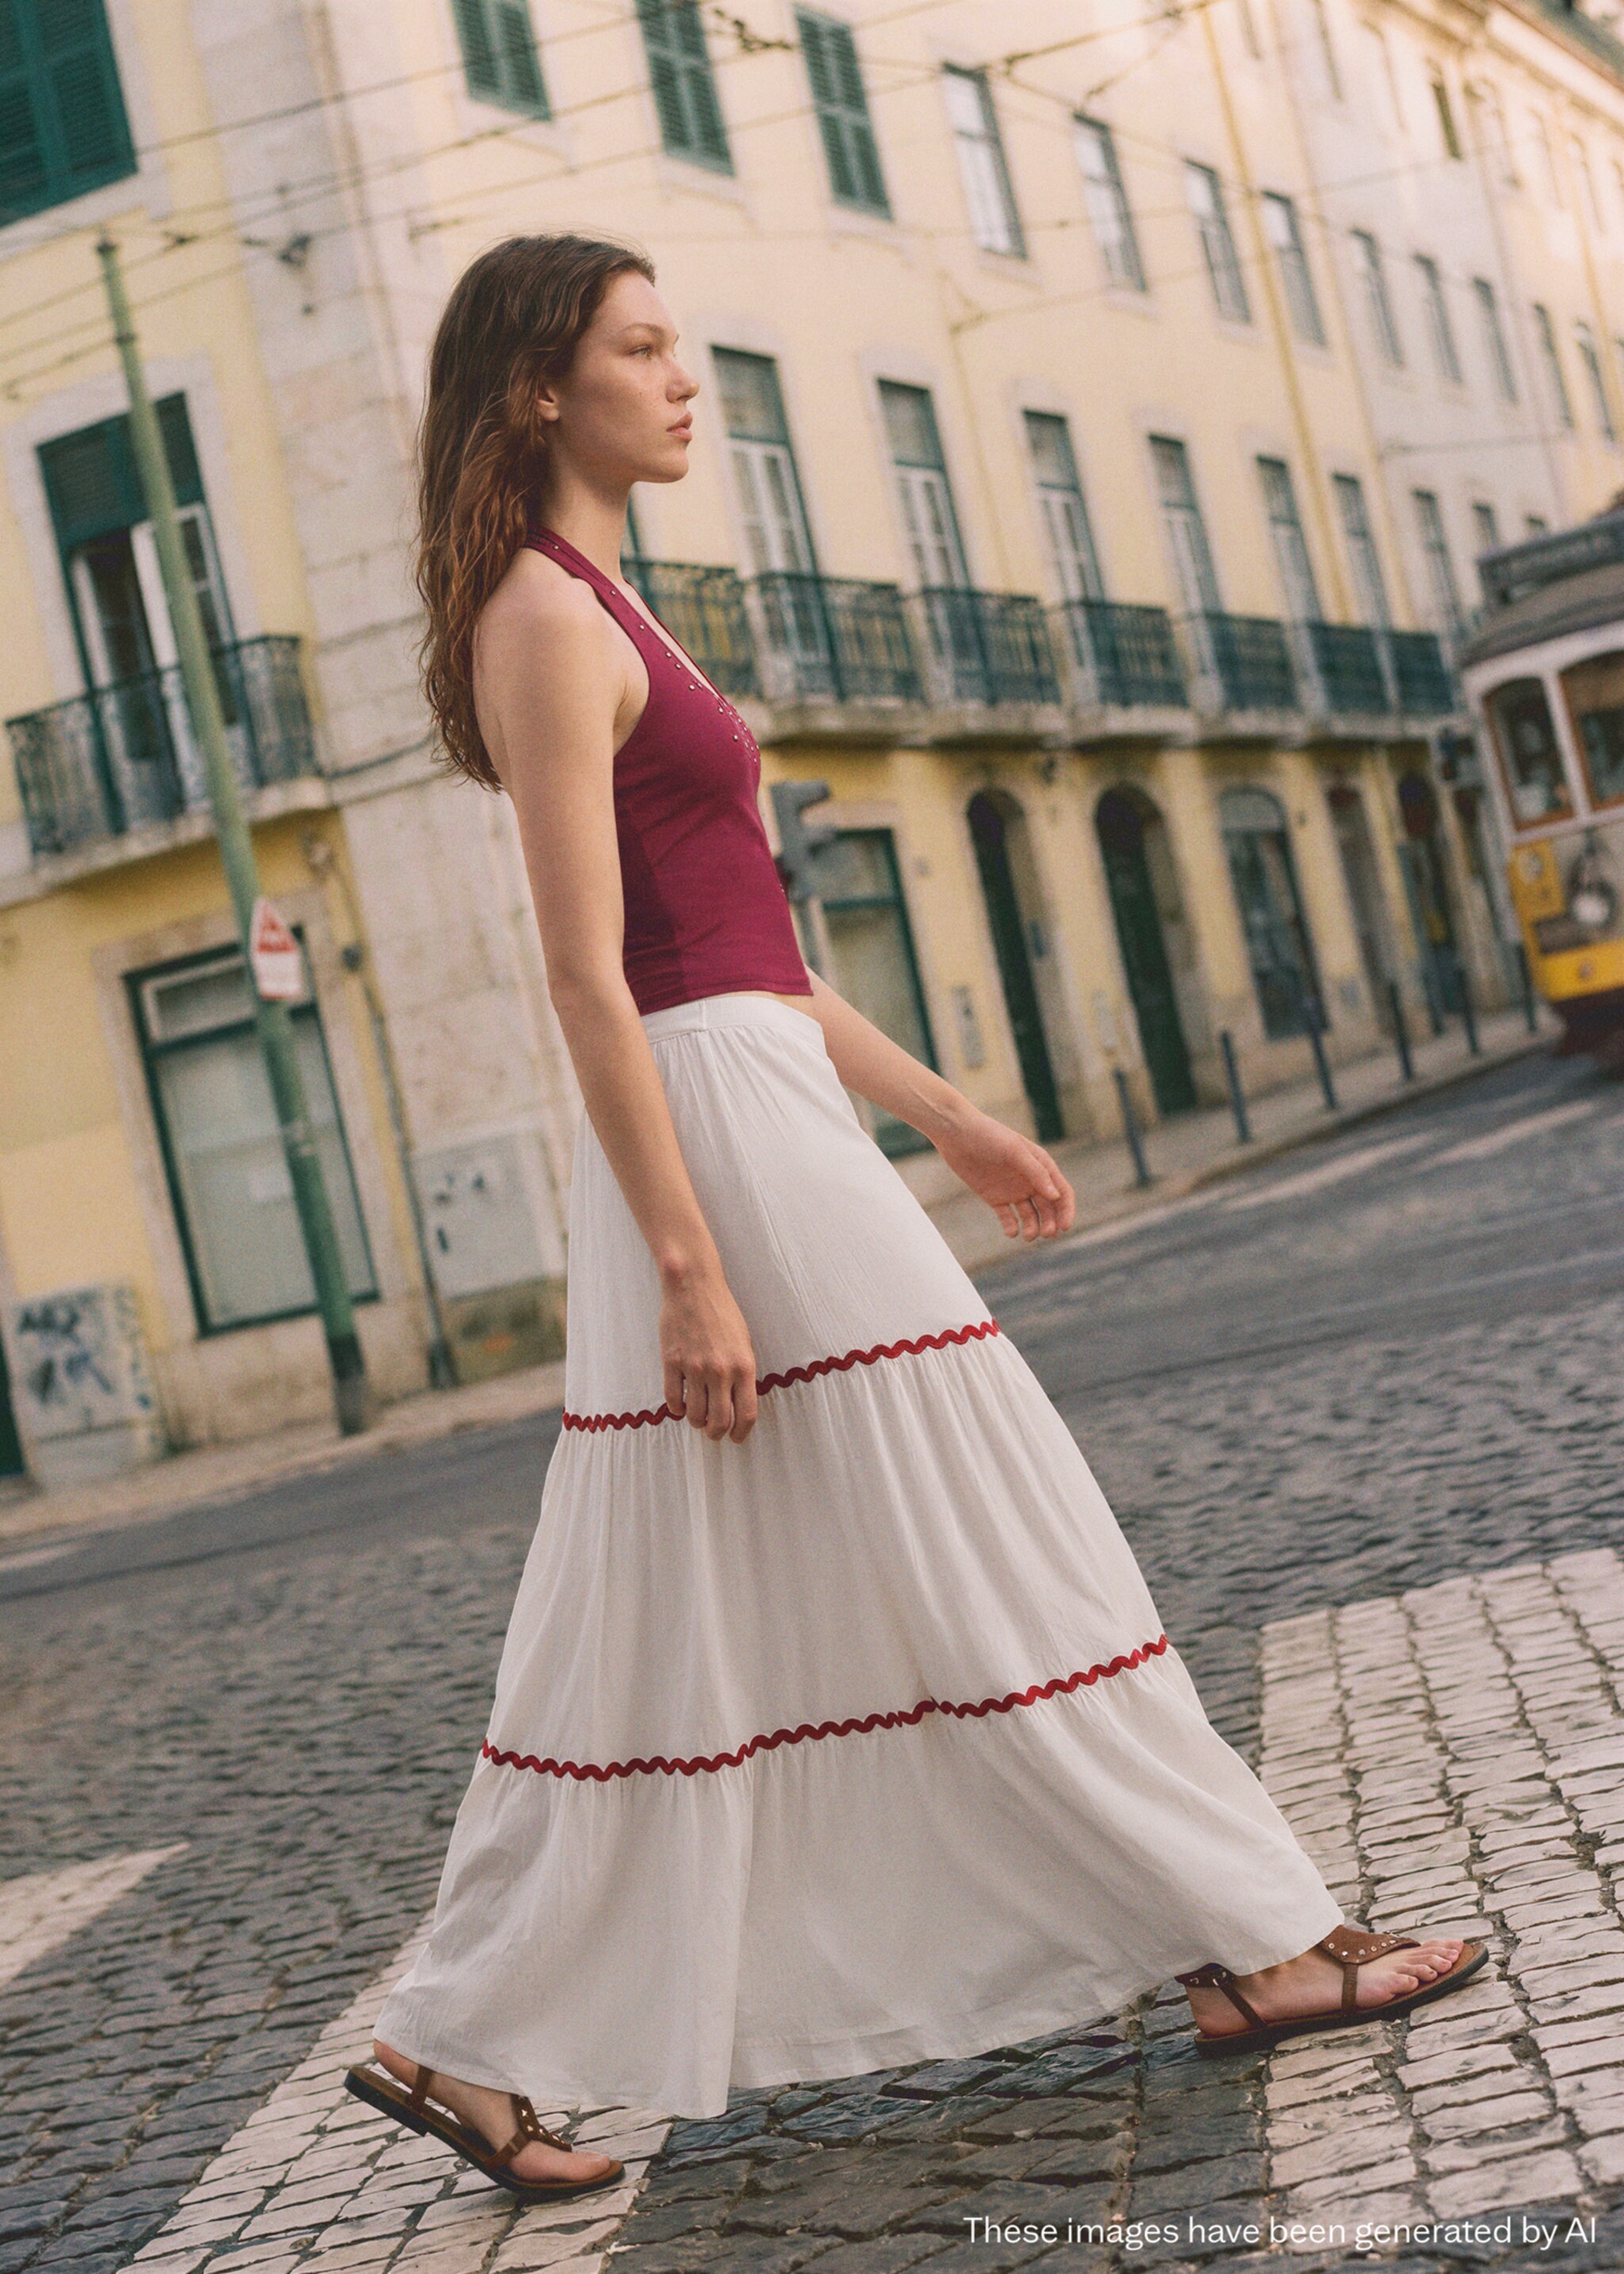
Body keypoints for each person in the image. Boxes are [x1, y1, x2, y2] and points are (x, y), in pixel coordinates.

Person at [343, 235, 1483, 2203]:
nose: (685, 380)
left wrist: (950, 1114)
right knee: (990, 1523)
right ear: (539, 388)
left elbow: (758, 952)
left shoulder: (626, 603)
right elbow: (591, 980)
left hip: (762, 1098)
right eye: (641, 349)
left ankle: (458, 2041)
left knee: (663, 1605)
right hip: (710, 1139)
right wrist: (688, 1262)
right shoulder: (543, 615)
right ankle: (1256, 1940)